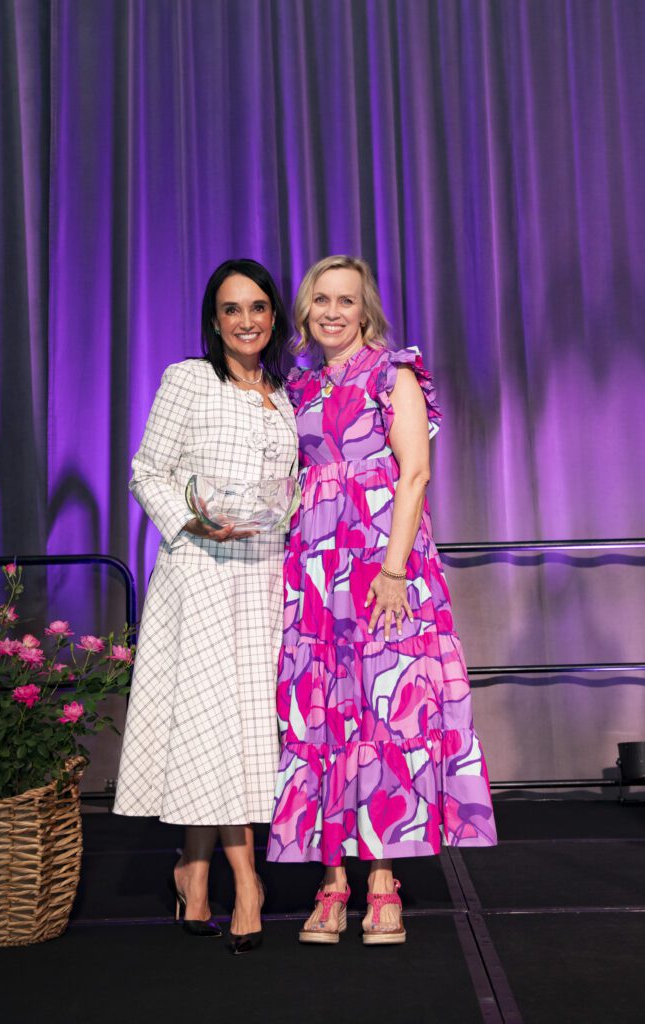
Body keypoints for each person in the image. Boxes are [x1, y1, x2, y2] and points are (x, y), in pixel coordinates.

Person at [267, 255, 497, 945]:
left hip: (380, 563)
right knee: (325, 717)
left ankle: (383, 879)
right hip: (315, 569)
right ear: (305, 313)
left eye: (345, 300)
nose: (332, 311)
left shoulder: (391, 371)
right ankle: (331, 877)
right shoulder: (300, 384)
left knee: (383, 714)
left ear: (364, 310)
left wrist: (393, 570)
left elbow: (416, 471)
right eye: (320, 301)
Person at [114, 259, 298, 955]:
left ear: (274, 315)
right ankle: (245, 883)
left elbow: (292, 487)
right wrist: (191, 523)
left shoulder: (286, 395)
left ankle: (192, 872)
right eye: (231, 309)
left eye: (256, 307)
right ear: (213, 320)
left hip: (264, 578)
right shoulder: (187, 380)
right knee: (213, 722)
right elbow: (145, 471)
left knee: (236, 730)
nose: (245, 320)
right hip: (199, 572)